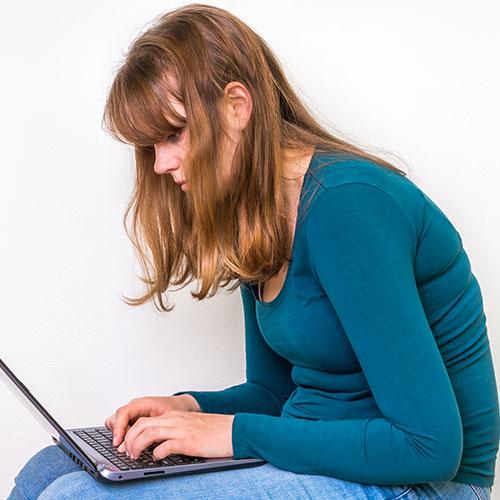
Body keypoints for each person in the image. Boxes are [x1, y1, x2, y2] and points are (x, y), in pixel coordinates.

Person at [8, 3, 498, 499]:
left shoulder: (348, 206)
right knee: (46, 470)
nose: (160, 164)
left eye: (173, 134)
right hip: (332, 459)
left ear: (236, 107)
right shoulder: (254, 216)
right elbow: (275, 393)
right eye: (151, 145)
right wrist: (188, 409)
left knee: (77, 497)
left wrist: (229, 433)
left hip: (428, 484)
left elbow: (429, 446)